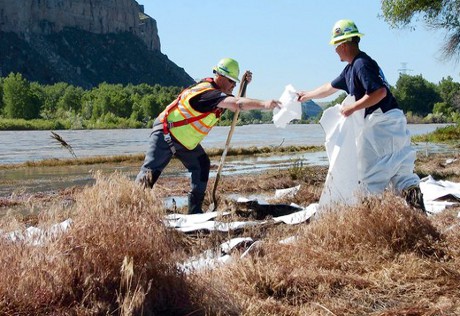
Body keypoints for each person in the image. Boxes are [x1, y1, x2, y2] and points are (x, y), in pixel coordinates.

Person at [297, 19, 427, 213]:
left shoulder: (361, 64)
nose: (335, 51)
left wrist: (352, 108)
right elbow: (328, 87)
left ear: (344, 45)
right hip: (393, 121)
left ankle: (369, 223)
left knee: (370, 177)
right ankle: (420, 217)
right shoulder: (353, 67)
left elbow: (379, 92)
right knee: (402, 173)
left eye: (336, 46)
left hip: (382, 124)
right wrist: (307, 95)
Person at [135, 58, 281, 214]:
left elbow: (235, 102)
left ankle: (194, 210)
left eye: (236, 83)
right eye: (232, 81)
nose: (233, 85)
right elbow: (237, 104)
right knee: (150, 174)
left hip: (185, 143)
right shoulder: (207, 94)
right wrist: (264, 104)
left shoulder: (218, 95)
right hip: (165, 134)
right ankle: (132, 207)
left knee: (202, 164)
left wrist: (244, 86)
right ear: (220, 77)